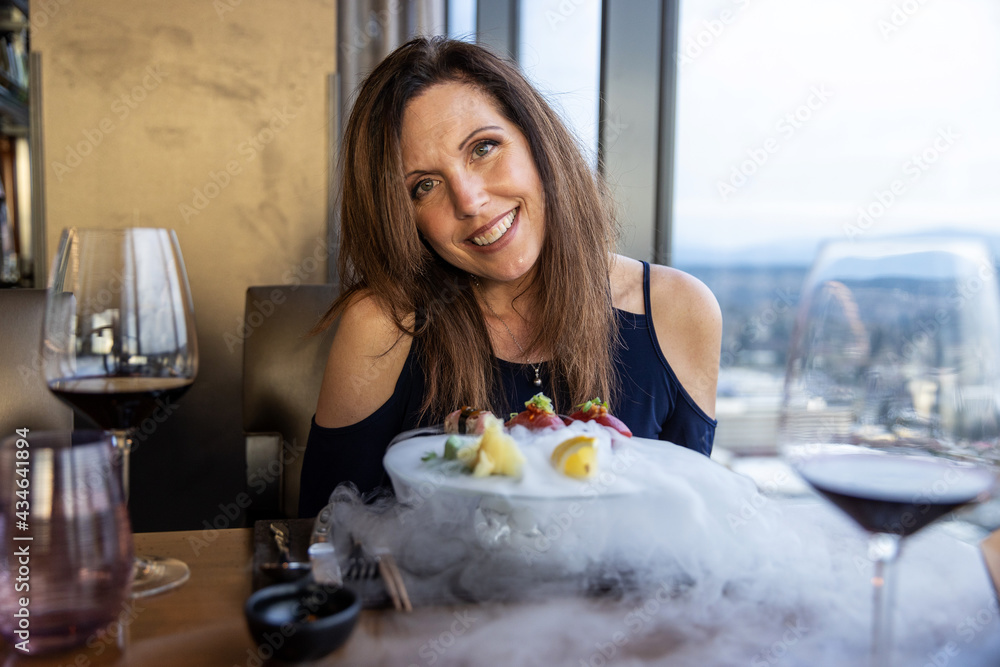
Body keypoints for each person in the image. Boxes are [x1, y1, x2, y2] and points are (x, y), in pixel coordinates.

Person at [298, 37, 722, 518]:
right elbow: (323, 534)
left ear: (538, 143)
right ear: (403, 217)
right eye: (425, 185)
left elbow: (688, 530)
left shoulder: (679, 310)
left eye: (483, 148)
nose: (470, 200)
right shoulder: (382, 323)